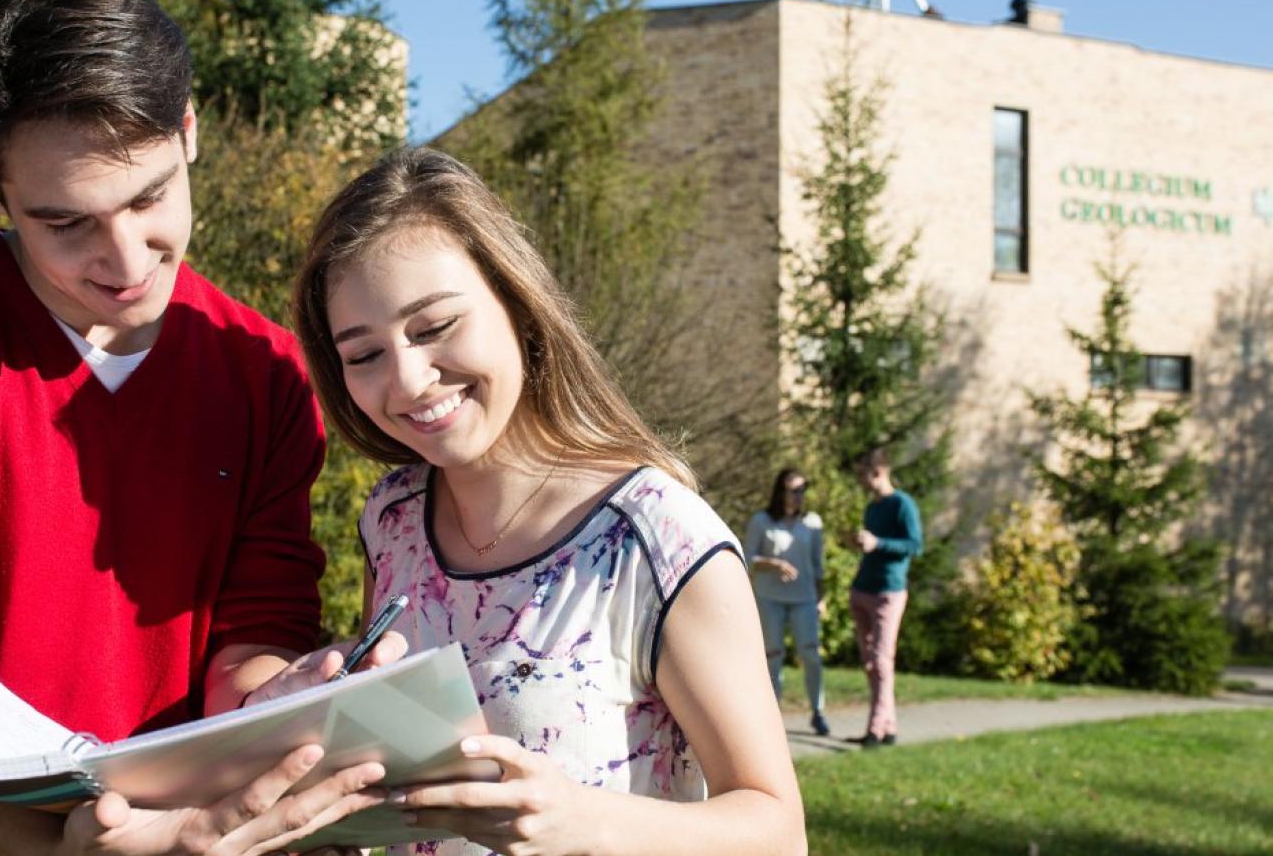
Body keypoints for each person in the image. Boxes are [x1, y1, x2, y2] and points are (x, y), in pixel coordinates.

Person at [0, 0, 397, 853]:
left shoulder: (263, 370)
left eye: (149, 197)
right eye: (65, 224)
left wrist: (281, 697)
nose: (124, 259)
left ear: (188, 131)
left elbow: (253, 635)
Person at [291, 147, 806, 855]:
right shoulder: (392, 520)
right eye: (364, 354)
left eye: (434, 327)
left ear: (518, 305)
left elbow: (779, 832)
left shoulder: (657, 538)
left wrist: (583, 822)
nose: (407, 380)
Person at [848, 448, 924, 747]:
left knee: (881, 660)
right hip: (862, 589)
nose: (860, 481)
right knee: (871, 663)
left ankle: (875, 730)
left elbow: (915, 545)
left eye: (862, 475)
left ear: (878, 471)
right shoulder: (872, 507)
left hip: (888, 592)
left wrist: (878, 542)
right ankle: (888, 725)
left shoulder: (902, 504)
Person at [744, 469, 830, 736]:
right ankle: (773, 717)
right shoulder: (762, 521)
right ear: (780, 491)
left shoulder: (812, 523)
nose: (798, 496)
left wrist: (822, 597)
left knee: (810, 655)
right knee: (773, 657)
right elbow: (747, 558)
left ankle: (818, 711)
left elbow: (818, 564)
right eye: (793, 490)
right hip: (770, 598)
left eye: (802, 490)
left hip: (804, 598)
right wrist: (773, 563)